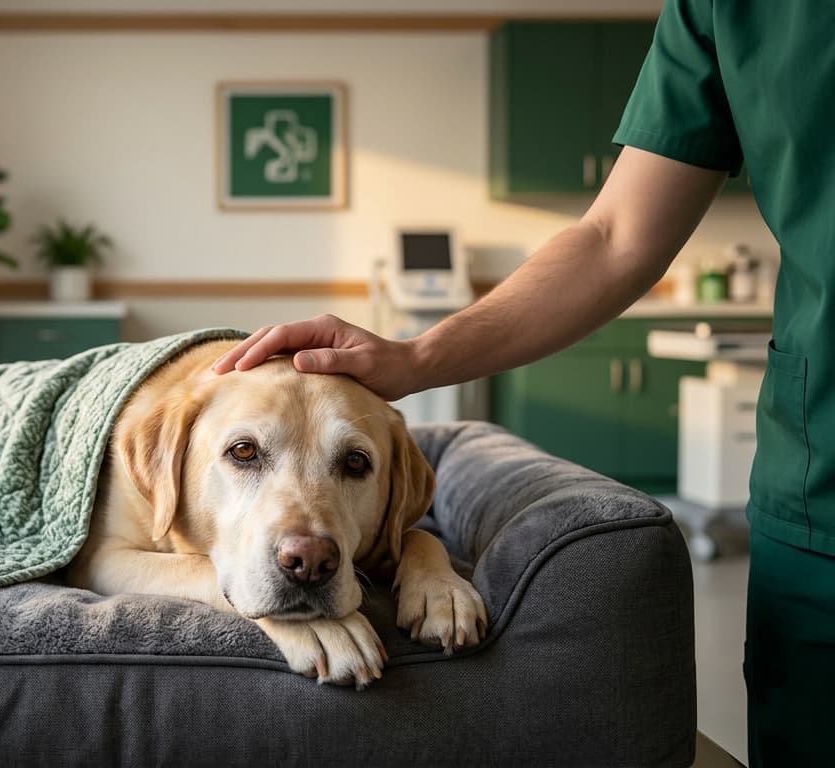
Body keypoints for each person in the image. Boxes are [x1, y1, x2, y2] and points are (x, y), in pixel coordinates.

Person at [211, 2, 833, 765]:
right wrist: (412, 360)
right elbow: (612, 238)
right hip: (822, 494)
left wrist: (420, 553)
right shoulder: (728, 10)